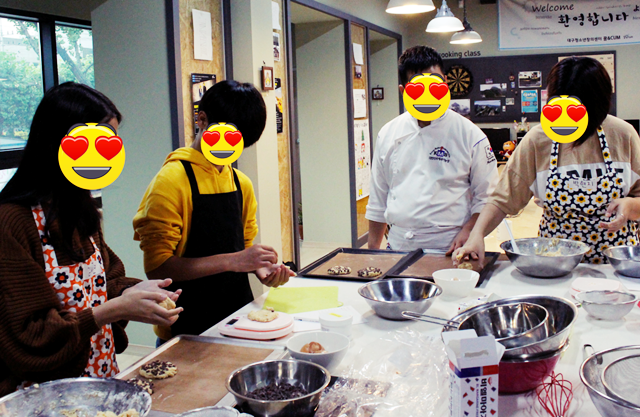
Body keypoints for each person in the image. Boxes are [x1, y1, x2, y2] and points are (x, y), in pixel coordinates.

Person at [0, 82, 182, 397]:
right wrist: (112, 310)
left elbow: (101, 284)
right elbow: (28, 336)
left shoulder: (78, 210)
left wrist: (132, 292)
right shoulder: (12, 222)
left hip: (99, 377)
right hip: (42, 395)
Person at [133, 80, 293, 343]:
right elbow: (158, 269)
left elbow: (243, 246)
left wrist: (261, 269)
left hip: (237, 319)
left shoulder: (240, 183)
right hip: (186, 327)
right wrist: (235, 260)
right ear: (202, 119)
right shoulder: (171, 181)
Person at [454, 57, 640, 266]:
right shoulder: (538, 139)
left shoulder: (623, 135)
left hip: (617, 266)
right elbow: (502, 199)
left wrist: (631, 205)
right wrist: (476, 235)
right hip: (555, 264)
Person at [366, 46, 499, 253]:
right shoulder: (388, 133)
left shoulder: (470, 135)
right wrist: (372, 251)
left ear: (445, 83)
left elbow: (488, 197)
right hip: (399, 243)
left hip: (451, 245)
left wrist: (470, 231)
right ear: (404, 91)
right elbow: (378, 199)